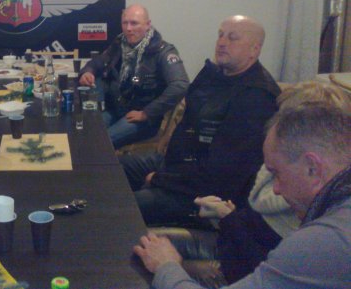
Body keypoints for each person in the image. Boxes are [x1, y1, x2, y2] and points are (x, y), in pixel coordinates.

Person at [134, 103, 351, 289]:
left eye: (276, 174)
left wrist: (166, 266)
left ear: (312, 168)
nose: (276, 189)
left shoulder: (324, 242)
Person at [120, 15, 280, 225]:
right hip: (176, 166)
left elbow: (221, 173)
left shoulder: (256, 97)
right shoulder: (215, 75)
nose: (222, 43)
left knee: (123, 207)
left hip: (204, 194)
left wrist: (160, 179)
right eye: (220, 35)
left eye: (232, 38)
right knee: (112, 168)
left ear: (254, 50)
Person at [78, 4, 189, 148]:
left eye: (134, 23)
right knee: (84, 130)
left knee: (101, 143)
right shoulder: (120, 44)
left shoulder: (162, 51)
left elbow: (180, 85)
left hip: (142, 118)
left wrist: (147, 113)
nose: (128, 28)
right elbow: (98, 61)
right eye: (125, 23)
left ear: (148, 25)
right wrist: (88, 71)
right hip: (116, 109)